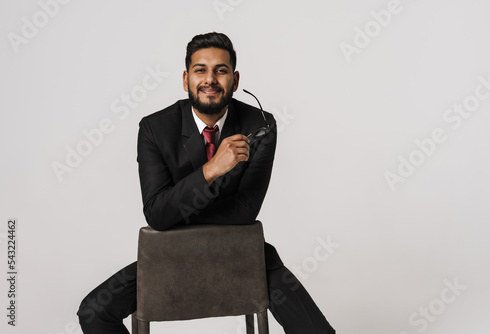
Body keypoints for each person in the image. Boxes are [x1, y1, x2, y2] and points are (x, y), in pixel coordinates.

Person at [77, 32, 336, 334]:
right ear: (186, 79)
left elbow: (244, 211)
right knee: (94, 311)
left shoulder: (260, 125)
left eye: (220, 70)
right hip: (169, 257)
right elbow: (156, 213)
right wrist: (211, 170)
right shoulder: (154, 128)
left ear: (235, 80)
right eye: (201, 70)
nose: (210, 79)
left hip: (241, 254)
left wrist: (175, 215)